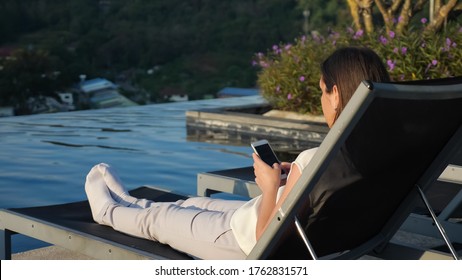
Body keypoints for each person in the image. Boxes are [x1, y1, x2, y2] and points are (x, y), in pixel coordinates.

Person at [84, 46, 391, 259]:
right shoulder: (379, 154)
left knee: (161, 218)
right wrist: (290, 183)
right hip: (266, 222)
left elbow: (263, 241)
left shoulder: (316, 159)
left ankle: (107, 211)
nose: (321, 99)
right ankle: (129, 202)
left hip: (240, 245)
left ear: (335, 95)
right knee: (192, 203)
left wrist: (271, 187)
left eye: (322, 90)